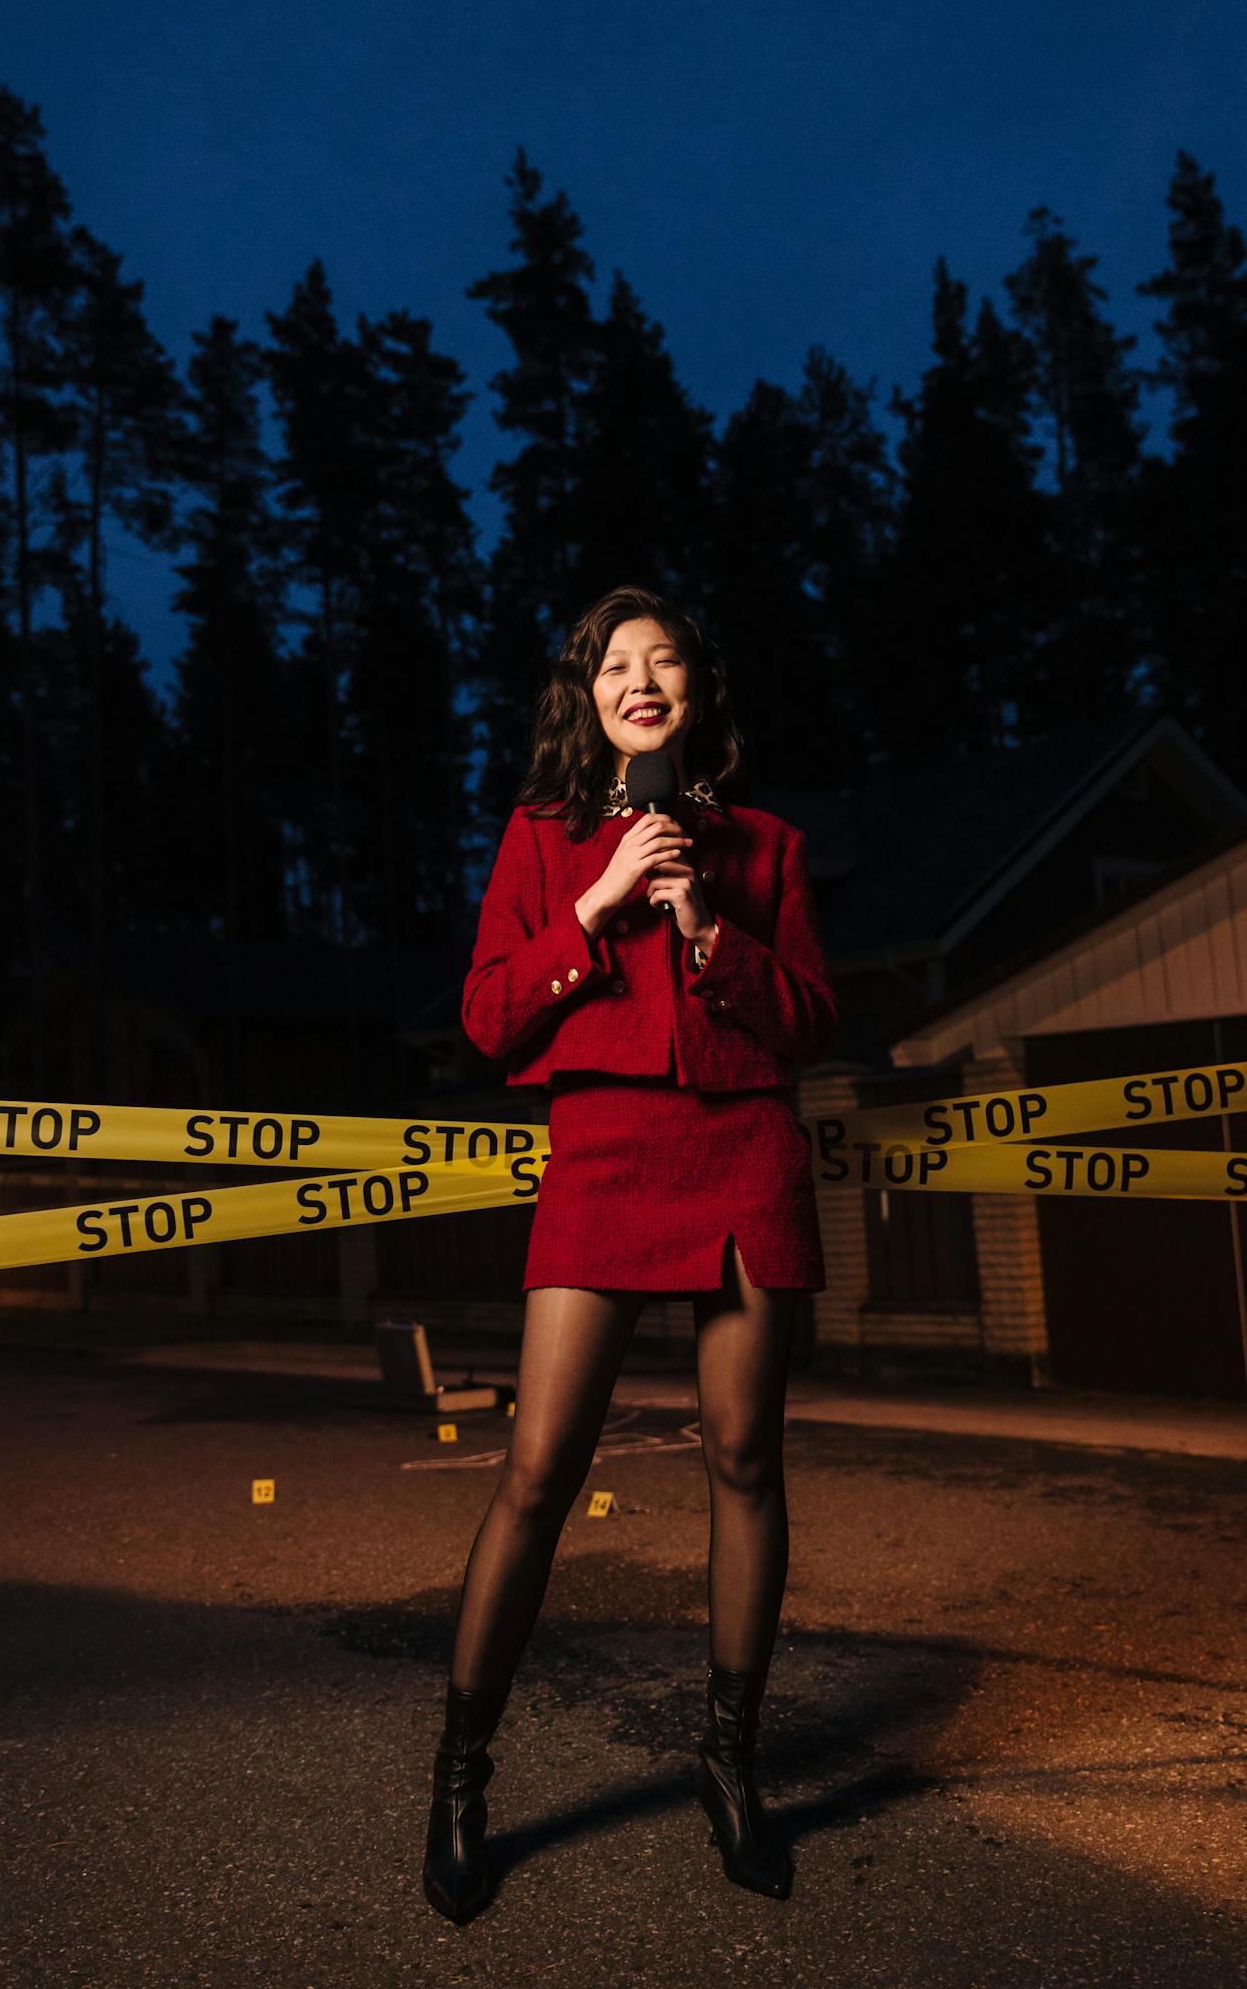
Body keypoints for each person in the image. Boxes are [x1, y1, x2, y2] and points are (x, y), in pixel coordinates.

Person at [422, 584, 839, 1922]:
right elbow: (489, 1019)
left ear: (697, 695)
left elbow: (813, 1022)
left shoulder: (763, 845)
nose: (640, 680)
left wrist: (708, 928)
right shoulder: (542, 839)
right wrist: (598, 902)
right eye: (615, 665)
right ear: (586, 698)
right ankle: (459, 1779)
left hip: (740, 1163)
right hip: (602, 1165)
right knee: (537, 1472)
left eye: (664, 662)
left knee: (743, 1460)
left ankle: (729, 1766)